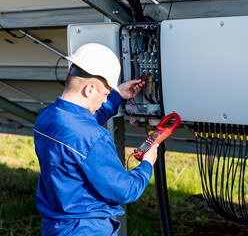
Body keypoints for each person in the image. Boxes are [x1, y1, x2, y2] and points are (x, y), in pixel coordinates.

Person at [34, 43, 159, 235]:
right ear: (90, 89)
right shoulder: (93, 137)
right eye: (105, 94)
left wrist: (117, 95)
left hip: (55, 226)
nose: (104, 100)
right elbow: (125, 189)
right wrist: (147, 164)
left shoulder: (46, 117)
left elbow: (80, 124)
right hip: (87, 229)